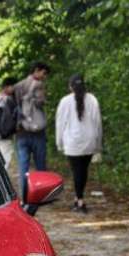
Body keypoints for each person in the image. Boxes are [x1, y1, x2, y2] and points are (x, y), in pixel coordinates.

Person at [55, 74, 102, 213]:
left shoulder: (65, 101)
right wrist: (98, 144)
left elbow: (60, 124)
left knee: (76, 171)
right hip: (89, 141)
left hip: (72, 142)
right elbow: (98, 122)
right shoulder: (92, 99)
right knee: (83, 171)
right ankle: (78, 198)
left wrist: (59, 142)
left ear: (70, 87)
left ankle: (80, 201)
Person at [13, 62, 50, 200]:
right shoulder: (39, 85)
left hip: (21, 131)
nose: (45, 76)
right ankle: (41, 194)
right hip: (37, 132)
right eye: (44, 73)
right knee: (40, 165)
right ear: (37, 70)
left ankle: (24, 195)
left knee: (23, 166)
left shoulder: (18, 86)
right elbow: (40, 103)